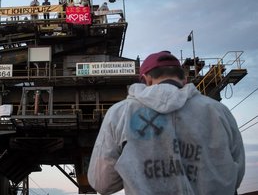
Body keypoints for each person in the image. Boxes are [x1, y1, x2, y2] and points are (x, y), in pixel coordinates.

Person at [87, 51, 245, 195]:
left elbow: (102, 183)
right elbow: (235, 174)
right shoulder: (219, 111)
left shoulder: (120, 113)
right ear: (184, 79)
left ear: (146, 79)